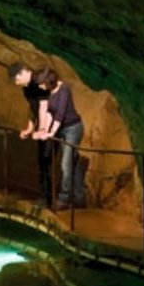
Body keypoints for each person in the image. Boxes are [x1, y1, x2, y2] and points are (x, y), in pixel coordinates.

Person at [33, 67, 86, 209]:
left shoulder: (64, 89)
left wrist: (51, 132)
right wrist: (43, 130)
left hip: (73, 129)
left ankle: (64, 198)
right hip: (62, 130)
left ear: (48, 82)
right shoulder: (50, 92)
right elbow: (50, 113)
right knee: (73, 163)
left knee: (65, 164)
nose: (40, 86)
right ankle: (80, 198)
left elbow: (60, 114)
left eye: (41, 84)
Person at [8, 62, 54, 207]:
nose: (16, 83)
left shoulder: (39, 81)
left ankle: (47, 199)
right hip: (42, 127)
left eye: (16, 79)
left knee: (45, 160)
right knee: (42, 161)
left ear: (23, 73)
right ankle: (44, 196)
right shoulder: (26, 88)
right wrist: (30, 128)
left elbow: (44, 107)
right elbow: (33, 108)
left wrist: (42, 130)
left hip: (51, 125)